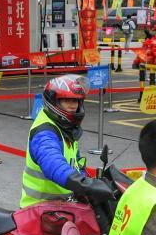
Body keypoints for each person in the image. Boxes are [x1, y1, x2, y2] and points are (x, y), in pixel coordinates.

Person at [20, 75, 113, 208]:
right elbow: (53, 164)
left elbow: (76, 163)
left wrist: (88, 184)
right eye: (67, 100)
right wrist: (85, 185)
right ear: (54, 102)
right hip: (38, 212)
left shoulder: (66, 128)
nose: (72, 106)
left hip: (60, 207)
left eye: (76, 101)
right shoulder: (44, 132)